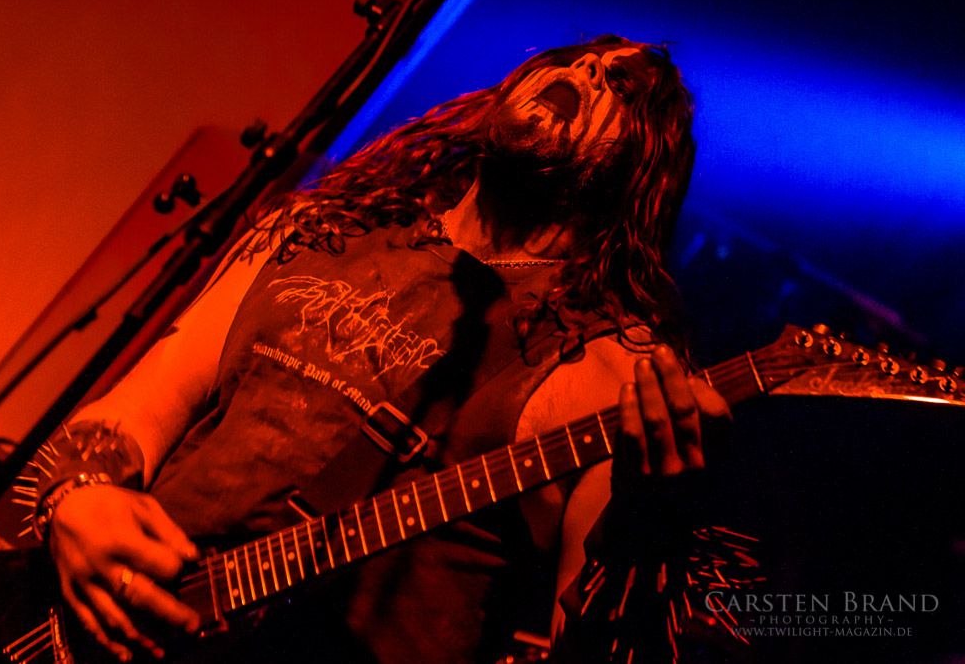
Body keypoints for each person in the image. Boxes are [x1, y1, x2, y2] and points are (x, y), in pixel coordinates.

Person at [36, 34, 729, 663]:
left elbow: (601, 647)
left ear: (643, 166)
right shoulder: (315, 227)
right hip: (91, 632)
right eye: (576, 57)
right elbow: (145, 399)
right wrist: (78, 495)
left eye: (622, 86)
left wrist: (647, 534)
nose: (590, 68)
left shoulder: (608, 372)